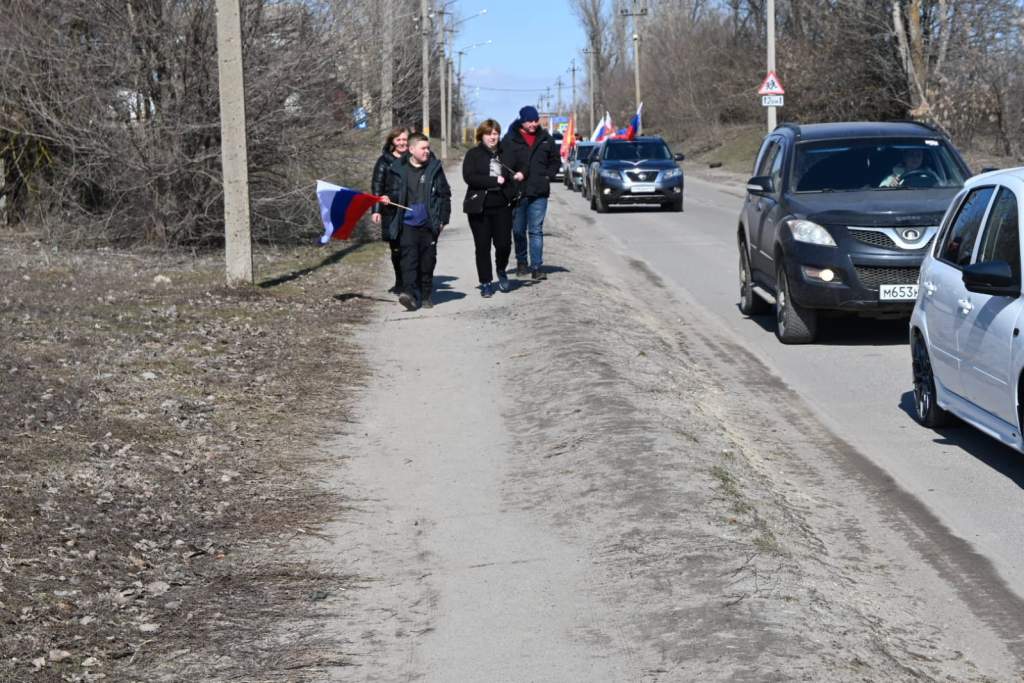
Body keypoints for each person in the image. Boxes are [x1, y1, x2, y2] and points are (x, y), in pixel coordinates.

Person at [380, 133, 451, 311]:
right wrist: (388, 198)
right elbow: (393, 191)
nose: (427, 151)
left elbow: (444, 195)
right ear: (412, 150)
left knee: (427, 261)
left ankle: (426, 294)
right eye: (423, 148)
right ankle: (409, 294)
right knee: (408, 260)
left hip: (429, 223)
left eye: (428, 148)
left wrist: (443, 219)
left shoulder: (434, 169)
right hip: (407, 224)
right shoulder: (398, 169)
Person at [503, 105, 561, 280]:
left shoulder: (545, 139)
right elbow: (503, 163)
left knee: (536, 230)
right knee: (519, 230)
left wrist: (547, 176)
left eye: (536, 121)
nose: (533, 124)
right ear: (522, 120)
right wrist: (510, 178)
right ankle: (522, 262)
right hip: (518, 193)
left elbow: (555, 161)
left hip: (539, 192)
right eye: (530, 121)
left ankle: (537, 266)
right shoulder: (510, 139)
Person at [462, 119, 515, 297]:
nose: (493, 137)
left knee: (504, 244)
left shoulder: (505, 153)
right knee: (482, 246)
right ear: (481, 136)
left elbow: (517, 170)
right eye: (489, 133)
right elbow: (469, 177)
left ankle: (501, 269)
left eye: (495, 133)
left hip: (502, 206)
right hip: (480, 207)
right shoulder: (473, 154)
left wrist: (517, 184)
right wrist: (493, 181)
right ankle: (485, 282)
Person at [371, 127, 409, 293]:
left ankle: (412, 282)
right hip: (391, 211)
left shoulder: (415, 158)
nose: (402, 143)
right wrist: (376, 210)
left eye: (405, 139)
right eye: (398, 140)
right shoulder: (383, 161)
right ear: (392, 142)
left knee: (411, 247)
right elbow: (377, 186)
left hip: (410, 210)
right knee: (396, 249)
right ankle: (400, 281)